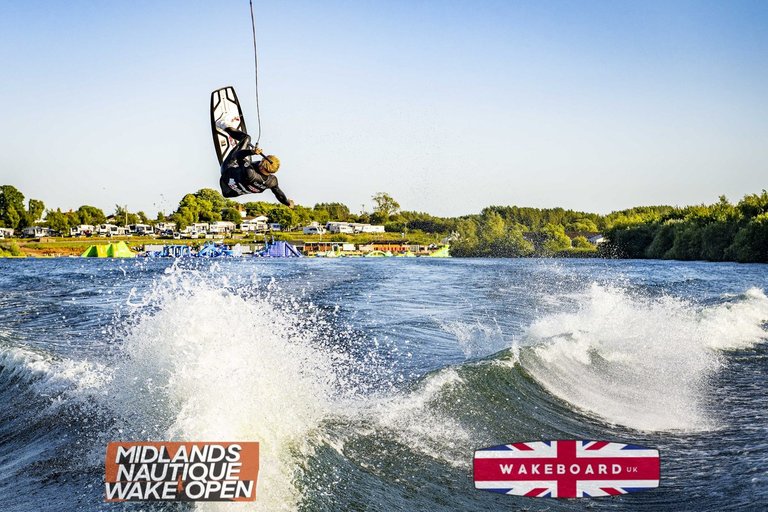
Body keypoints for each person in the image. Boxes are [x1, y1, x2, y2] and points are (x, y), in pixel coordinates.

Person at [215, 113, 294, 207]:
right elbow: (279, 194)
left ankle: (222, 124)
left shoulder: (250, 173)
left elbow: (237, 155)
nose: (260, 161)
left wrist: (251, 152)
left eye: (261, 162)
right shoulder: (272, 182)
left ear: (262, 167)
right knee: (248, 164)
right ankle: (242, 162)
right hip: (229, 193)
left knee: (246, 138)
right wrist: (287, 203)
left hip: (226, 174)